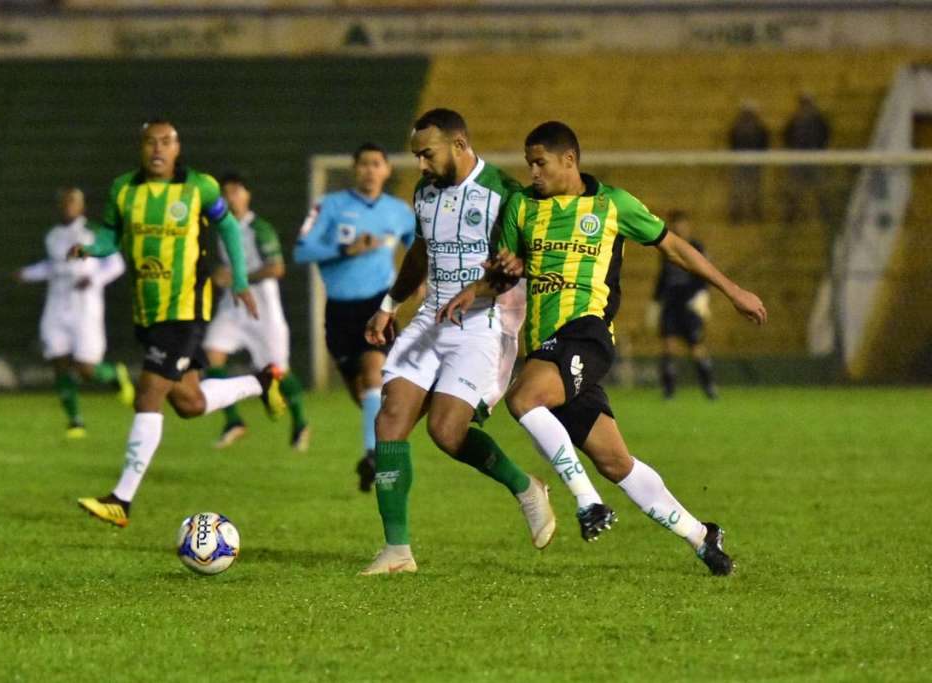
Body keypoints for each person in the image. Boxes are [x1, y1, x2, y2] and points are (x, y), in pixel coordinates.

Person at [440, 121, 767, 576]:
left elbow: (674, 247)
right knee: (615, 462)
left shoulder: (612, 204)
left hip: (587, 334)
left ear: (569, 160)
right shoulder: (521, 207)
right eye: (529, 163)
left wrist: (733, 292)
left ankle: (587, 501)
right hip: (547, 346)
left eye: (541, 163)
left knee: (523, 398)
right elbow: (505, 274)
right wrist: (477, 287)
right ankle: (701, 536)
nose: (533, 172)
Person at [358, 109, 554, 576]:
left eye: (427, 154)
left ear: (460, 144)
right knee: (389, 421)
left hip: (484, 323)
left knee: (446, 432)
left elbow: (527, 260)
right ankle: (397, 551)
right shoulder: (425, 192)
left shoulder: (505, 193)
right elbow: (422, 251)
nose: (421, 166)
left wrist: (508, 274)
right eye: (417, 157)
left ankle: (526, 487)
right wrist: (390, 302)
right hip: (431, 316)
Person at [73, 119, 285, 528]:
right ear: (141, 147)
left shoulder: (200, 188)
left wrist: (240, 279)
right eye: (151, 141)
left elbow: (226, 225)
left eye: (166, 142)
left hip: (185, 309)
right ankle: (262, 381)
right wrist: (90, 248)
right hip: (147, 313)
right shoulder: (123, 189)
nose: (158, 148)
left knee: (147, 395)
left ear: (177, 148)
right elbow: (109, 236)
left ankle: (122, 500)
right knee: (189, 403)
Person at [293, 142, 415, 491]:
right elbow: (302, 250)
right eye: (364, 164)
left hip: (379, 305)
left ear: (387, 170)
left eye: (377, 163)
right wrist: (346, 249)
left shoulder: (398, 212)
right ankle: (375, 448)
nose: (370, 170)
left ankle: (374, 455)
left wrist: (421, 279)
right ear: (354, 168)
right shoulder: (330, 206)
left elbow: (418, 248)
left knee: (374, 372)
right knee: (361, 393)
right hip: (339, 310)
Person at [14, 187, 133, 438]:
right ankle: (75, 420)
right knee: (59, 361)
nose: (68, 205)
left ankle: (114, 375)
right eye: (65, 201)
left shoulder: (94, 231)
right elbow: (52, 267)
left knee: (85, 368)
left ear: (82, 205)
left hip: (85, 307)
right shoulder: (53, 235)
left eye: (73, 201)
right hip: (56, 305)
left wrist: (94, 279)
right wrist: (27, 273)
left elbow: (117, 264)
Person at [202, 172, 309, 450]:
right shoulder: (221, 228)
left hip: (262, 310)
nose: (231, 197)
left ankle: (300, 423)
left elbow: (277, 268)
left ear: (247, 195)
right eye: (226, 193)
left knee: (277, 371)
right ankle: (234, 420)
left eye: (236, 190)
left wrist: (238, 277)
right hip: (232, 307)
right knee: (211, 354)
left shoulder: (260, 228)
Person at [652, 210, 717, 399]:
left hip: (690, 305)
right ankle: (669, 390)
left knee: (696, 347)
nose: (679, 227)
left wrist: (703, 296)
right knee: (668, 346)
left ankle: (709, 386)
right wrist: (655, 302)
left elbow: (706, 273)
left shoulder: (696, 247)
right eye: (675, 224)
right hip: (671, 304)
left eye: (682, 223)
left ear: (688, 225)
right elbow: (662, 277)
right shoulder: (665, 248)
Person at [783, 93, 831, 227]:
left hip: (815, 159)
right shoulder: (795, 120)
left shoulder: (818, 120)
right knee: (795, 187)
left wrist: (819, 150)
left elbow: (825, 135)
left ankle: (824, 211)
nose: (805, 106)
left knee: (820, 186)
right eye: (803, 103)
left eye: (807, 103)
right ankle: (792, 213)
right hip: (798, 159)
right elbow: (786, 136)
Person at [728, 100, 769, 224]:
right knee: (742, 188)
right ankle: (739, 212)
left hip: (752, 162)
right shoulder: (750, 127)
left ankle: (753, 211)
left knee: (753, 188)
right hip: (743, 162)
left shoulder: (746, 127)